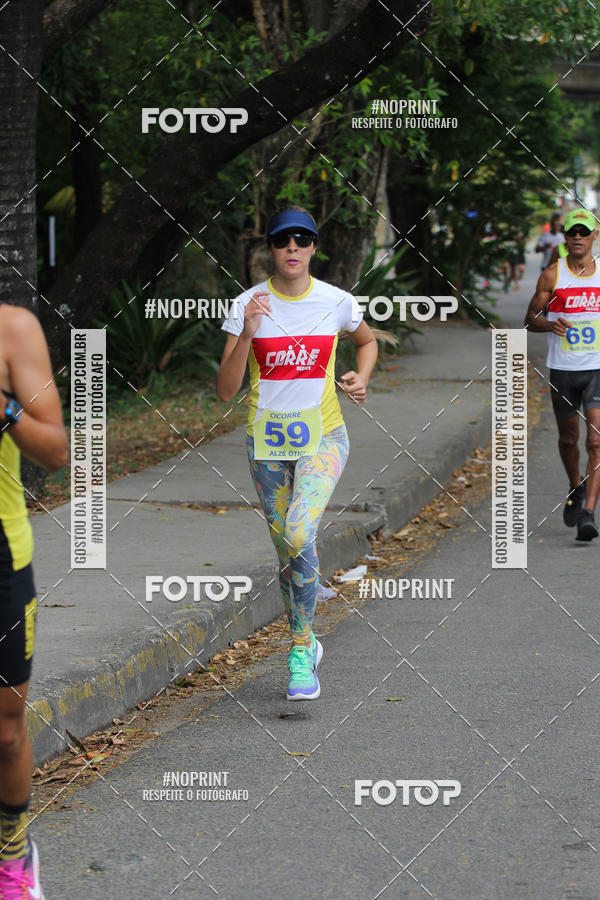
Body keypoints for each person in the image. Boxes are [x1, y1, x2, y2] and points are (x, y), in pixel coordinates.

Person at [217, 207, 378, 699]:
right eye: (283, 240)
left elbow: (367, 342)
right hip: (266, 444)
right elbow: (225, 391)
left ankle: (301, 648)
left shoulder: (336, 302)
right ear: (270, 247)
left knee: (299, 529)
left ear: (313, 247)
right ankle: (303, 644)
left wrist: (361, 377)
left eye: (303, 240)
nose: (293, 248)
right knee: (288, 551)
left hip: (324, 437)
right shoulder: (247, 304)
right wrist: (247, 332)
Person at [0, 302, 68, 898]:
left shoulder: (12, 329)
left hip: (0, 556)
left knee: (4, 728)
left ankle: (14, 853)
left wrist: (2, 409)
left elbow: (57, 448)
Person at [524, 207, 600, 541]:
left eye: (585, 232)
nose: (579, 238)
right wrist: (549, 323)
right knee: (569, 439)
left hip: (597, 368)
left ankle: (588, 513)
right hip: (564, 370)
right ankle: (575, 486)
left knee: (596, 440)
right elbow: (530, 319)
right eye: (573, 233)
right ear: (565, 237)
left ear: (595, 235)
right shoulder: (552, 276)